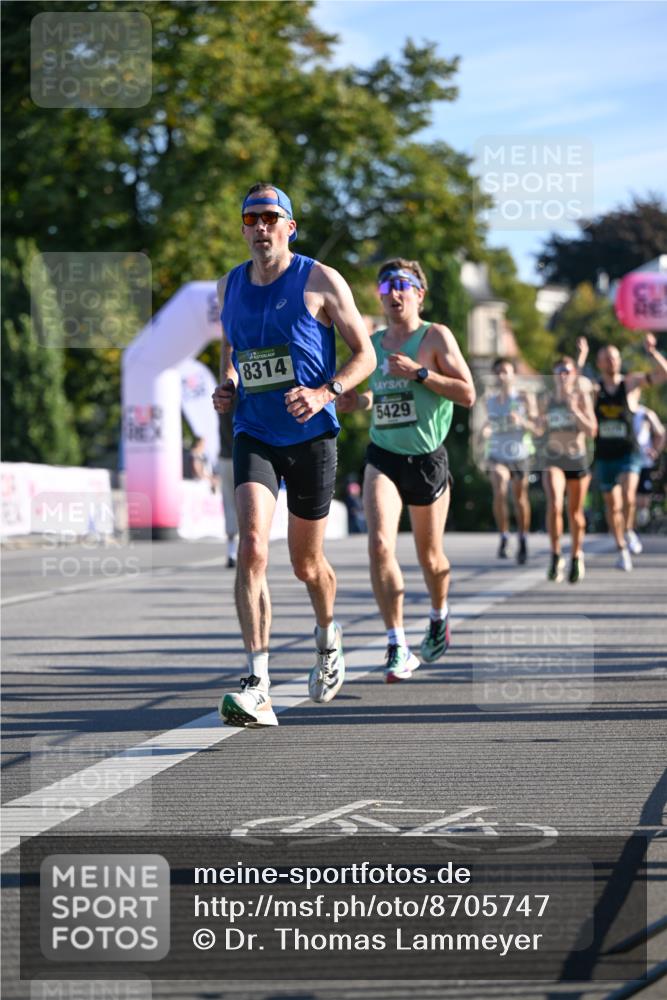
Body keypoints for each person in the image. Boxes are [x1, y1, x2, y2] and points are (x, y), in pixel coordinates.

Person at [212, 183, 375, 727]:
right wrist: (228, 384)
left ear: (289, 227)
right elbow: (233, 351)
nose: (260, 227)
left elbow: (366, 354)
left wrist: (325, 392)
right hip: (254, 430)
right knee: (252, 545)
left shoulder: (321, 279)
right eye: (250, 218)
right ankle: (258, 683)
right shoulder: (229, 284)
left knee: (306, 564)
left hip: (311, 435)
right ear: (243, 228)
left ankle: (328, 637)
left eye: (269, 217)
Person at [336, 259, 475, 682]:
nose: (394, 294)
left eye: (402, 286)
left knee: (430, 558)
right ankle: (397, 643)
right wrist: (352, 401)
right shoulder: (373, 344)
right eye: (386, 287)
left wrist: (420, 372)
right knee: (379, 546)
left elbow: (467, 393)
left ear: (419, 294)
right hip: (384, 455)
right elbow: (374, 399)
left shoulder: (435, 337)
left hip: (428, 459)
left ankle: (438, 614)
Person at [577, 333, 667, 571]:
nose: (612, 362)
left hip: (629, 452)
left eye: (615, 357)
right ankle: (621, 548)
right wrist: (581, 357)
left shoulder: (629, 384)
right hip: (605, 454)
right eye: (606, 358)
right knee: (612, 506)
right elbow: (573, 385)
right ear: (599, 363)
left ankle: (628, 530)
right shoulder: (595, 388)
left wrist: (652, 352)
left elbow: (663, 374)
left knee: (628, 496)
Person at [539, 356, 597, 583]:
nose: (563, 375)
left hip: (577, 459)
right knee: (554, 503)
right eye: (558, 371)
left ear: (573, 375)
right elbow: (537, 429)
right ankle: (555, 554)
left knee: (575, 513)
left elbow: (592, 430)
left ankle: (575, 555)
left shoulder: (581, 398)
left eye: (567, 371)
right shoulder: (547, 399)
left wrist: (576, 411)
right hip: (554, 457)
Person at [480, 358, 538, 564]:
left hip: (520, 454)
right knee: (499, 488)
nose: (502, 376)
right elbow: (488, 424)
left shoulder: (524, 398)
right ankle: (504, 535)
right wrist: (485, 431)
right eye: (498, 372)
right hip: (497, 454)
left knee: (519, 499)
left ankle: (522, 537)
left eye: (505, 371)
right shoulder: (490, 400)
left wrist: (521, 421)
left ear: (514, 374)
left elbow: (537, 428)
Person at [631, 404, 665, 530]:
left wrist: (655, 450)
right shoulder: (618, 408)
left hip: (644, 461)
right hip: (626, 460)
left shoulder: (645, 413)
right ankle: (630, 525)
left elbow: (660, 433)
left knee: (643, 496)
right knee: (629, 494)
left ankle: (640, 522)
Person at [217, 409, 238, 567]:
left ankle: (231, 550)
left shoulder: (222, 394)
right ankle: (241, 550)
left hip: (225, 456)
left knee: (229, 504)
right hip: (243, 455)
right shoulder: (244, 395)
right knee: (249, 505)